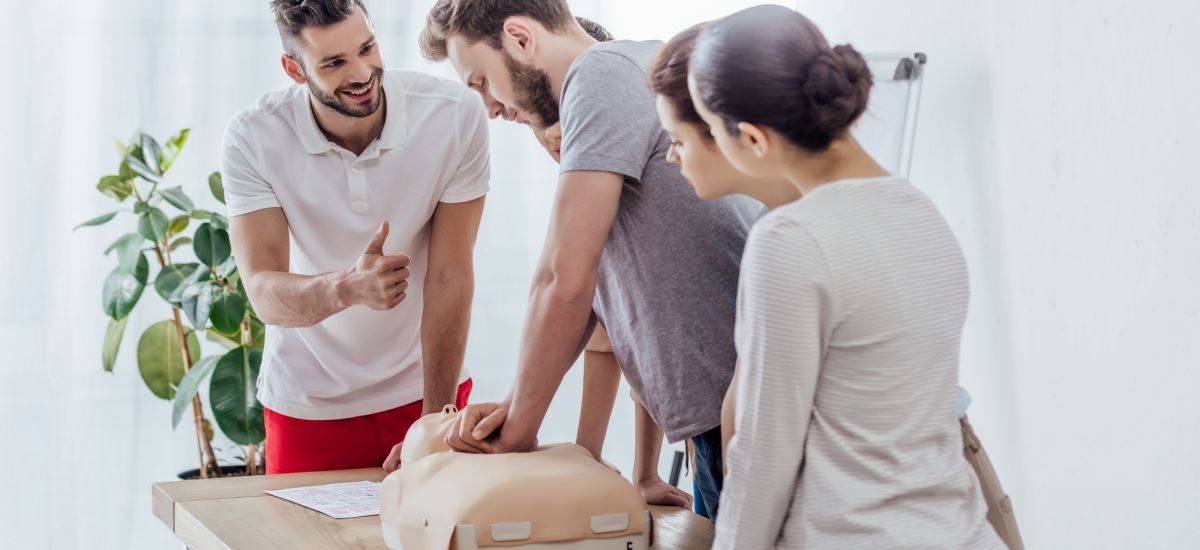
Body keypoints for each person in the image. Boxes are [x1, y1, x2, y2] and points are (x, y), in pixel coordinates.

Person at [418, 0, 763, 519]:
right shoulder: (630, 68)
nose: (489, 107)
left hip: (744, 415)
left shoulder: (598, 73)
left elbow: (562, 279)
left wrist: (516, 436)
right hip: (726, 413)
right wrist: (517, 408)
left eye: (481, 81)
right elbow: (593, 298)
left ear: (519, 38)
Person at [685, 5, 1006, 548]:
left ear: (756, 140)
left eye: (713, 131)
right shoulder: (923, 212)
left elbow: (765, 454)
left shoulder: (789, 240)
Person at [221, 0, 489, 475]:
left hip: (429, 390)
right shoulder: (253, 137)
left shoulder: (454, 115)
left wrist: (433, 421)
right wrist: (348, 287)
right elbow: (263, 291)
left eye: (367, 48)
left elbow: (450, 275)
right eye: (334, 63)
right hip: (309, 406)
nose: (363, 72)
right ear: (294, 69)